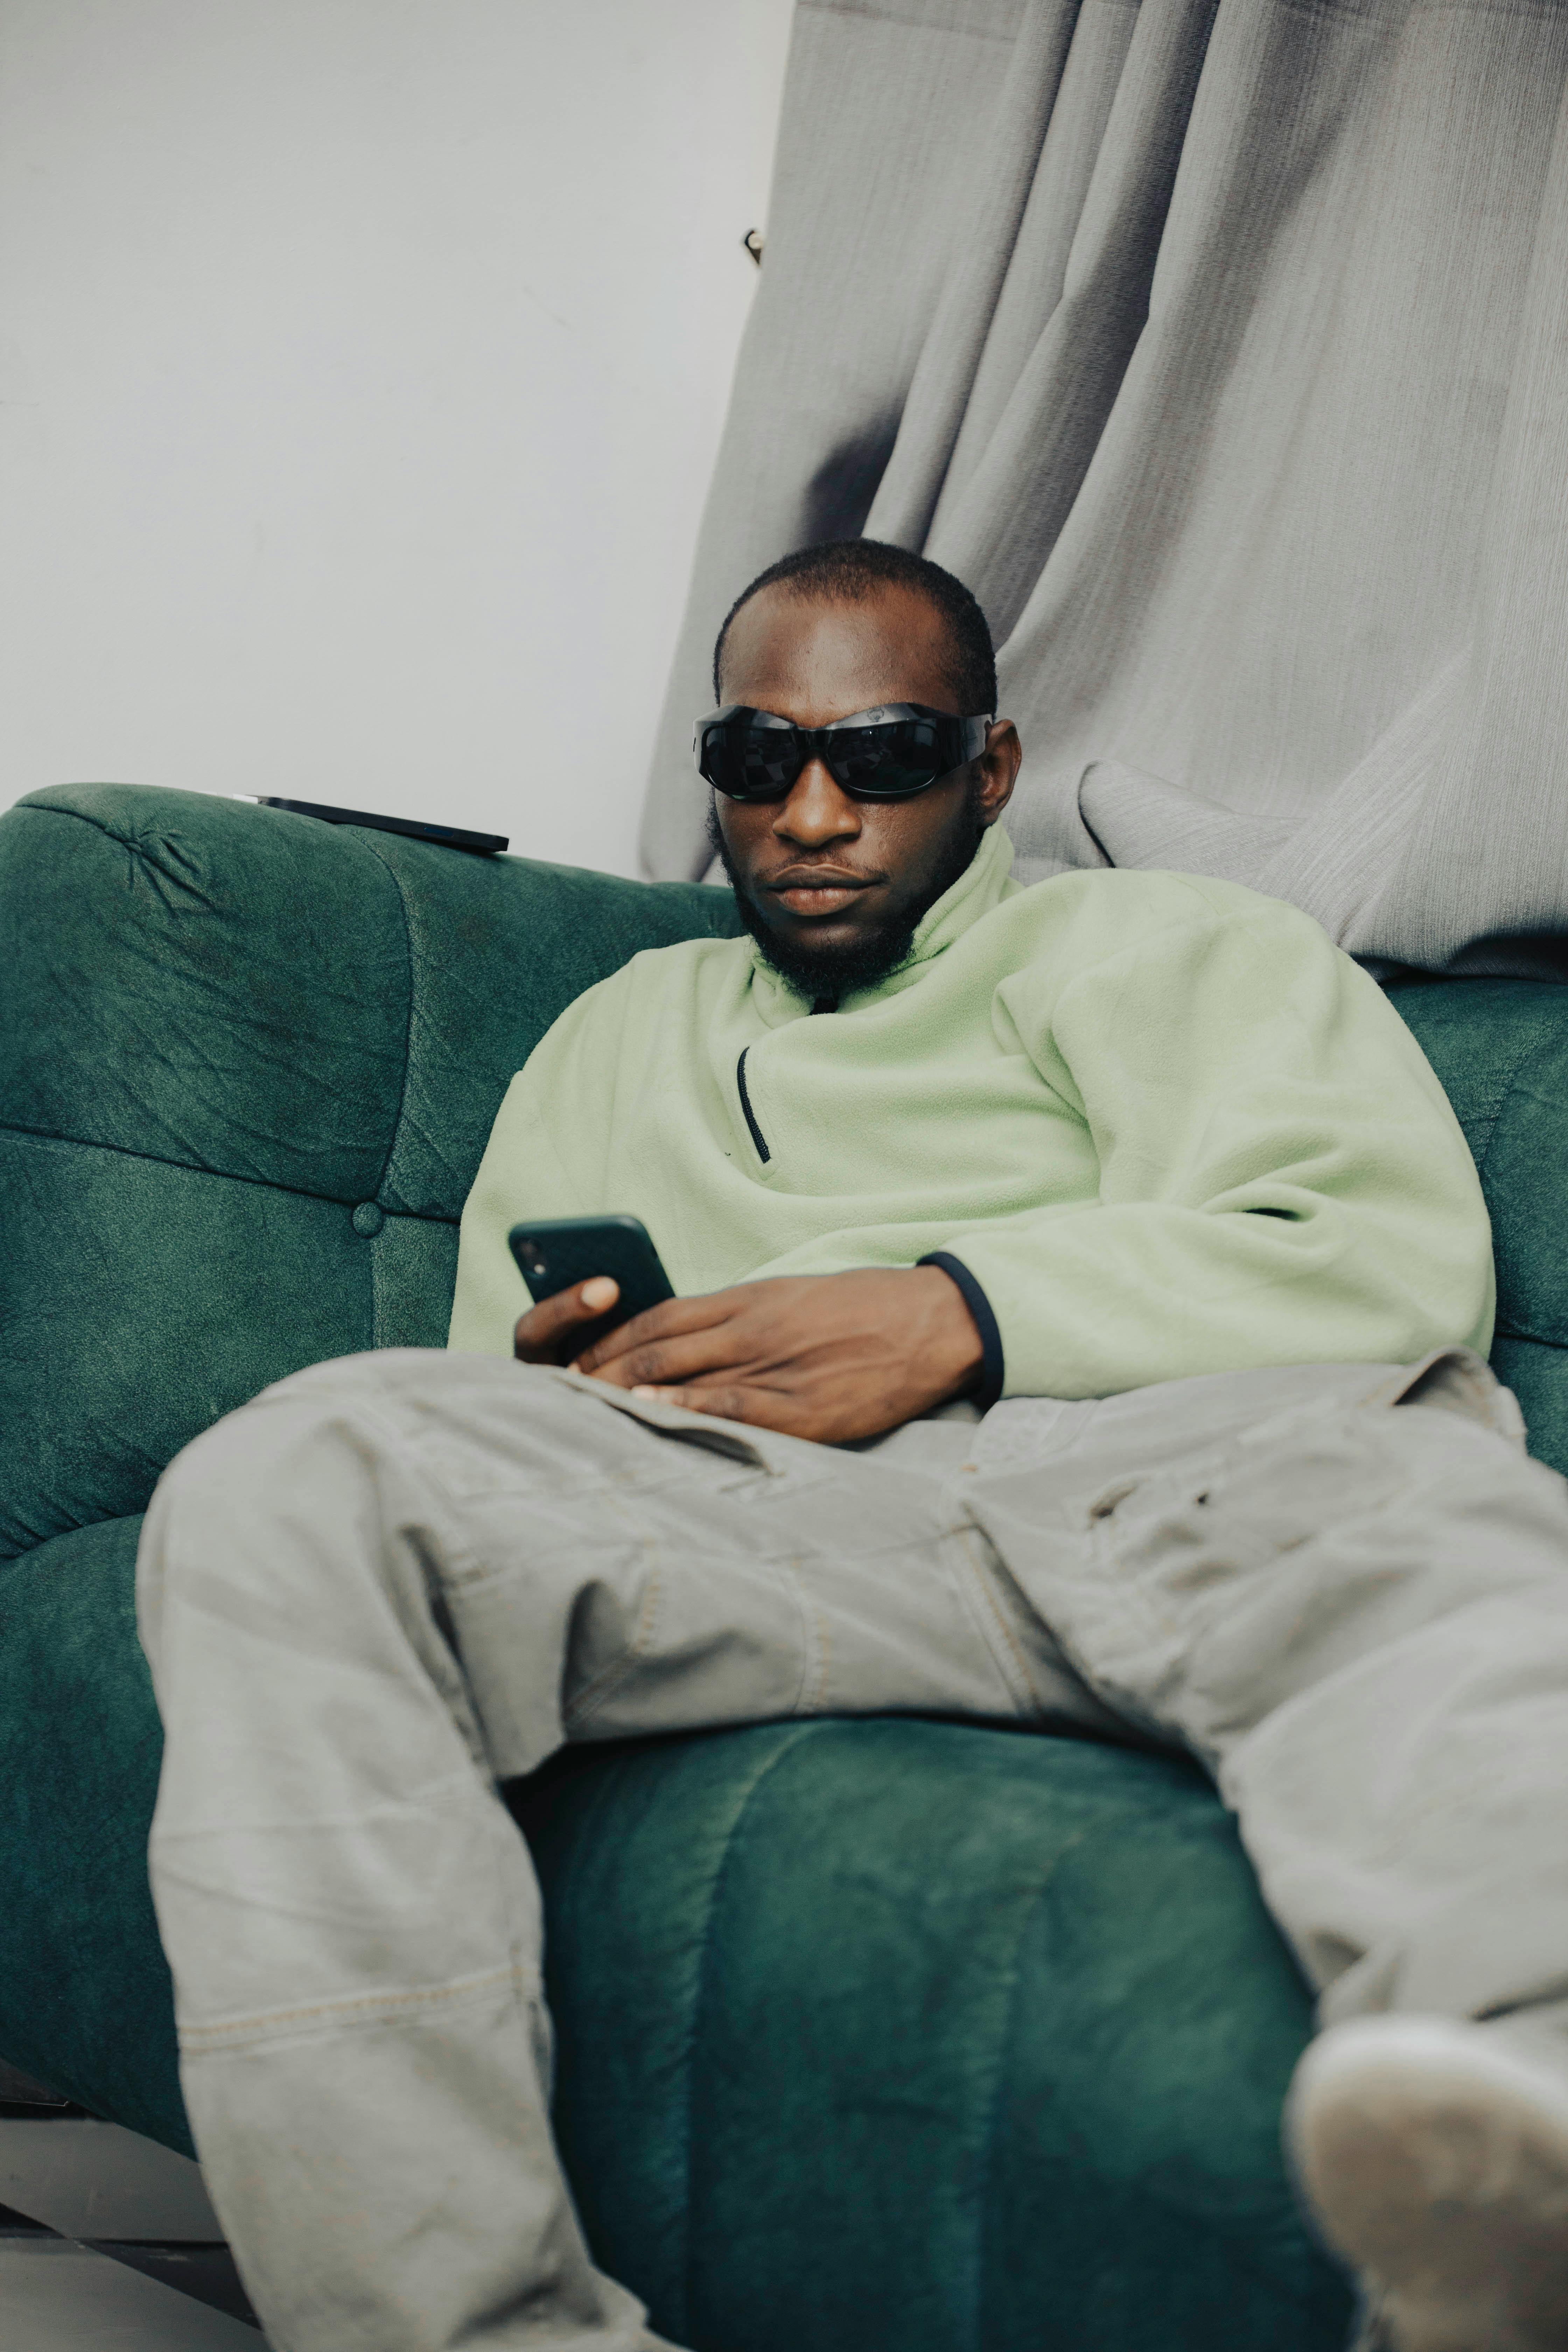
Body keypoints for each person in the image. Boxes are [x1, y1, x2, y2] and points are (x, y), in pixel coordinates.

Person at [136, 540, 1568, 2352]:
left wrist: (953, 1309)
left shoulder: (1179, 943)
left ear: (990, 767)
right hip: (778, 1519)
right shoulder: (619, 1033)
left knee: (1446, 1545)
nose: (812, 816)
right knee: (293, 1477)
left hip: (1193, 1468)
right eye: (759, 761)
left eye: (883, 757)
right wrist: (576, 1388)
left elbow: (1386, 1262)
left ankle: (1523, 2182)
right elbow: (481, 1376)